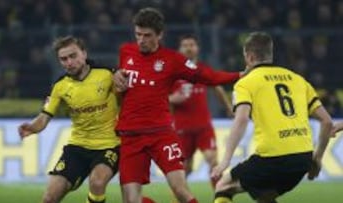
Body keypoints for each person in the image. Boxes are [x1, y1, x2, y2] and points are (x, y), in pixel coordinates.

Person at [113, 7, 244, 203]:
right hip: (131, 136)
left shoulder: (173, 60)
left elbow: (207, 76)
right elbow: (116, 80)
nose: (141, 40)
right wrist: (114, 73)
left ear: (160, 35)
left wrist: (239, 75)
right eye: (138, 34)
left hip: (161, 134)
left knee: (180, 190)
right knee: (131, 200)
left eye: (147, 35)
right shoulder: (126, 51)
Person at [211, 32, 333, 203]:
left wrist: (225, 161)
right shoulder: (298, 79)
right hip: (302, 158)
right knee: (266, 196)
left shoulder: (245, 83)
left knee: (224, 186)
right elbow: (327, 122)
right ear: (270, 54)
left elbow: (241, 119)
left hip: (272, 158)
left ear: (250, 56)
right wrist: (317, 159)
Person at [18, 36, 120, 203]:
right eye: (63, 59)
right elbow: (44, 116)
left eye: (73, 56)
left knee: (97, 182)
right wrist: (32, 127)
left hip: (109, 145)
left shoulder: (107, 74)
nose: (69, 62)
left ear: (84, 54)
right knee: (49, 198)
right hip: (77, 147)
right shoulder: (60, 86)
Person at [169, 34, 234, 188]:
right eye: (185, 45)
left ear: (197, 49)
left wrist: (228, 108)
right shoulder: (173, 72)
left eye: (192, 45)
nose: (189, 48)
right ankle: (179, 197)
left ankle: (220, 195)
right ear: (179, 50)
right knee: (185, 169)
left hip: (203, 126)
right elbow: (160, 97)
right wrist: (172, 98)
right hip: (181, 129)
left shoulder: (202, 70)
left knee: (212, 160)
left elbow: (217, 86)